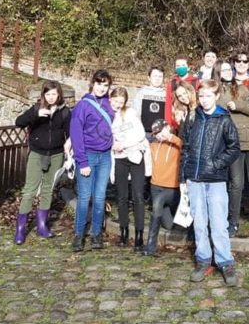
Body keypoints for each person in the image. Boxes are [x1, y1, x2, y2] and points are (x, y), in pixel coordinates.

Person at [180, 79, 241, 286]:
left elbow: (234, 148)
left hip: (215, 179)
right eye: (201, 96)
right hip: (195, 179)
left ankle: (225, 261)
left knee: (218, 223)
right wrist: (183, 176)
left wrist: (215, 164)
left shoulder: (224, 119)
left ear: (216, 96)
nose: (204, 100)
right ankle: (203, 259)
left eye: (208, 96)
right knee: (199, 223)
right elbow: (186, 148)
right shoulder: (193, 118)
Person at [13, 80, 71, 245]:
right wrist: (36, 115)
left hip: (56, 154)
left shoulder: (65, 112)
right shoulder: (36, 109)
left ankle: (42, 226)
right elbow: (19, 122)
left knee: (47, 190)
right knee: (29, 191)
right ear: (43, 95)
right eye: (48, 94)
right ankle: (20, 229)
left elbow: (70, 131)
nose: (51, 97)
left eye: (54, 94)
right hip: (37, 154)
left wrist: (69, 142)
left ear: (59, 95)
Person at [215, 61, 249, 237]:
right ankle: (233, 221)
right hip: (232, 142)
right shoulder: (215, 92)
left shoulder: (241, 89)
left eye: (230, 69)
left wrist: (238, 105)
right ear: (218, 72)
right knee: (236, 183)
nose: (228, 72)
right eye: (224, 70)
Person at [70, 69, 115, 252]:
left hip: (105, 156)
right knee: (84, 197)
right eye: (99, 84)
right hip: (88, 155)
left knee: (100, 196)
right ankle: (78, 234)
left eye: (105, 85)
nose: (102, 88)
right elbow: (76, 134)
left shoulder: (109, 104)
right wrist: (82, 162)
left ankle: (96, 233)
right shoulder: (82, 106)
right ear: (92, 83)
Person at [110, 86, 150, 251]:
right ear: (110, 99)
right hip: (120, 159)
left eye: (121, 102)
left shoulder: (130, 113)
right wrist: (114, 145)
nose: (118, 105)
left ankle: (139, 234)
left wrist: (124, 144)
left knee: (138, 195)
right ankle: (123, 231)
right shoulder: (109, 115)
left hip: (134, 157)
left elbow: (140, 134)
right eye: (115, 101)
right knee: (122, 196)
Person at [143, 119, 182, 256]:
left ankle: (150, 246)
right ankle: (176, 225)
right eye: (155, 133)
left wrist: (170, 137)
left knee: (157, 204)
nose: (158, 136)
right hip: (155, 186)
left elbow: (184, 145)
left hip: (171, 188)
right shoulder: (154, 144)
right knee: (168, 224)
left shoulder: (176, 143)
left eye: (160, 132)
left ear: (167, 128)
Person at [164, 57, 199, 127]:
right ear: (175, 68)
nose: (180, 68)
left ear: (188, 67)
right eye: (178, 66)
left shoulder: (196, 82)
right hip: (177, 122)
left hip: (194, 121)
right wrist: (168, 123)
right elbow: (168, 104)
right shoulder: (171, 83)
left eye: (183, 65)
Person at [133, 66, 166, 137]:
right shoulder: (141, 93)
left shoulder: (165, 95)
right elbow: (136, 114)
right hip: (143, 133)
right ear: (149, 78)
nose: (157, 79)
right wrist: (138, 130)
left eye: (160, 76)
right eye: (155, 76)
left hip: (160, 134)